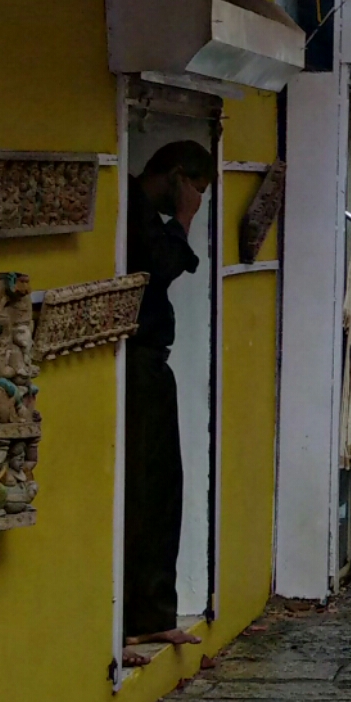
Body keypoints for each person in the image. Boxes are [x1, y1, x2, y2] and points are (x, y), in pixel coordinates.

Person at [124, 140, 215, 648]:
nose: (197, 201)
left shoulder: (140, 212)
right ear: (177, 176)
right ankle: (142, 615)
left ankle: (151, 612)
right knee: (149, 490)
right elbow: (161, 263)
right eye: (195, 189)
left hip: (148, 362)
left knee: (160, 491)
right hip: (138, 363)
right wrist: (183, 216)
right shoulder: (134, 208)